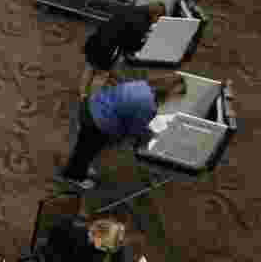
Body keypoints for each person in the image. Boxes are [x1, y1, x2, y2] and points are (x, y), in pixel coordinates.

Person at [57, 75, 188, 190]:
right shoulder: (149, 105)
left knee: (84, 148)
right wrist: (151, 136)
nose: (174, 101)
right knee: (87, 150)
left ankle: (79, 168)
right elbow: (135, 130)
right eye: (176, 97)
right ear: (170, 93)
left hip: (92, 106)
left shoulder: (144, 85)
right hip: (98, 122)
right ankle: (74, 176)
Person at [80, 3, 168, 97]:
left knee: (90, 68)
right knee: (103, 74)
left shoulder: (133, 8)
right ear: (155, 15)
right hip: (109, 48)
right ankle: (96, 100)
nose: (157, 22)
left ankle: (83, 94)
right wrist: (142, 45)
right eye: (159, 19)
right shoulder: (142, 23)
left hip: (98, 38)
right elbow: (132, 43)